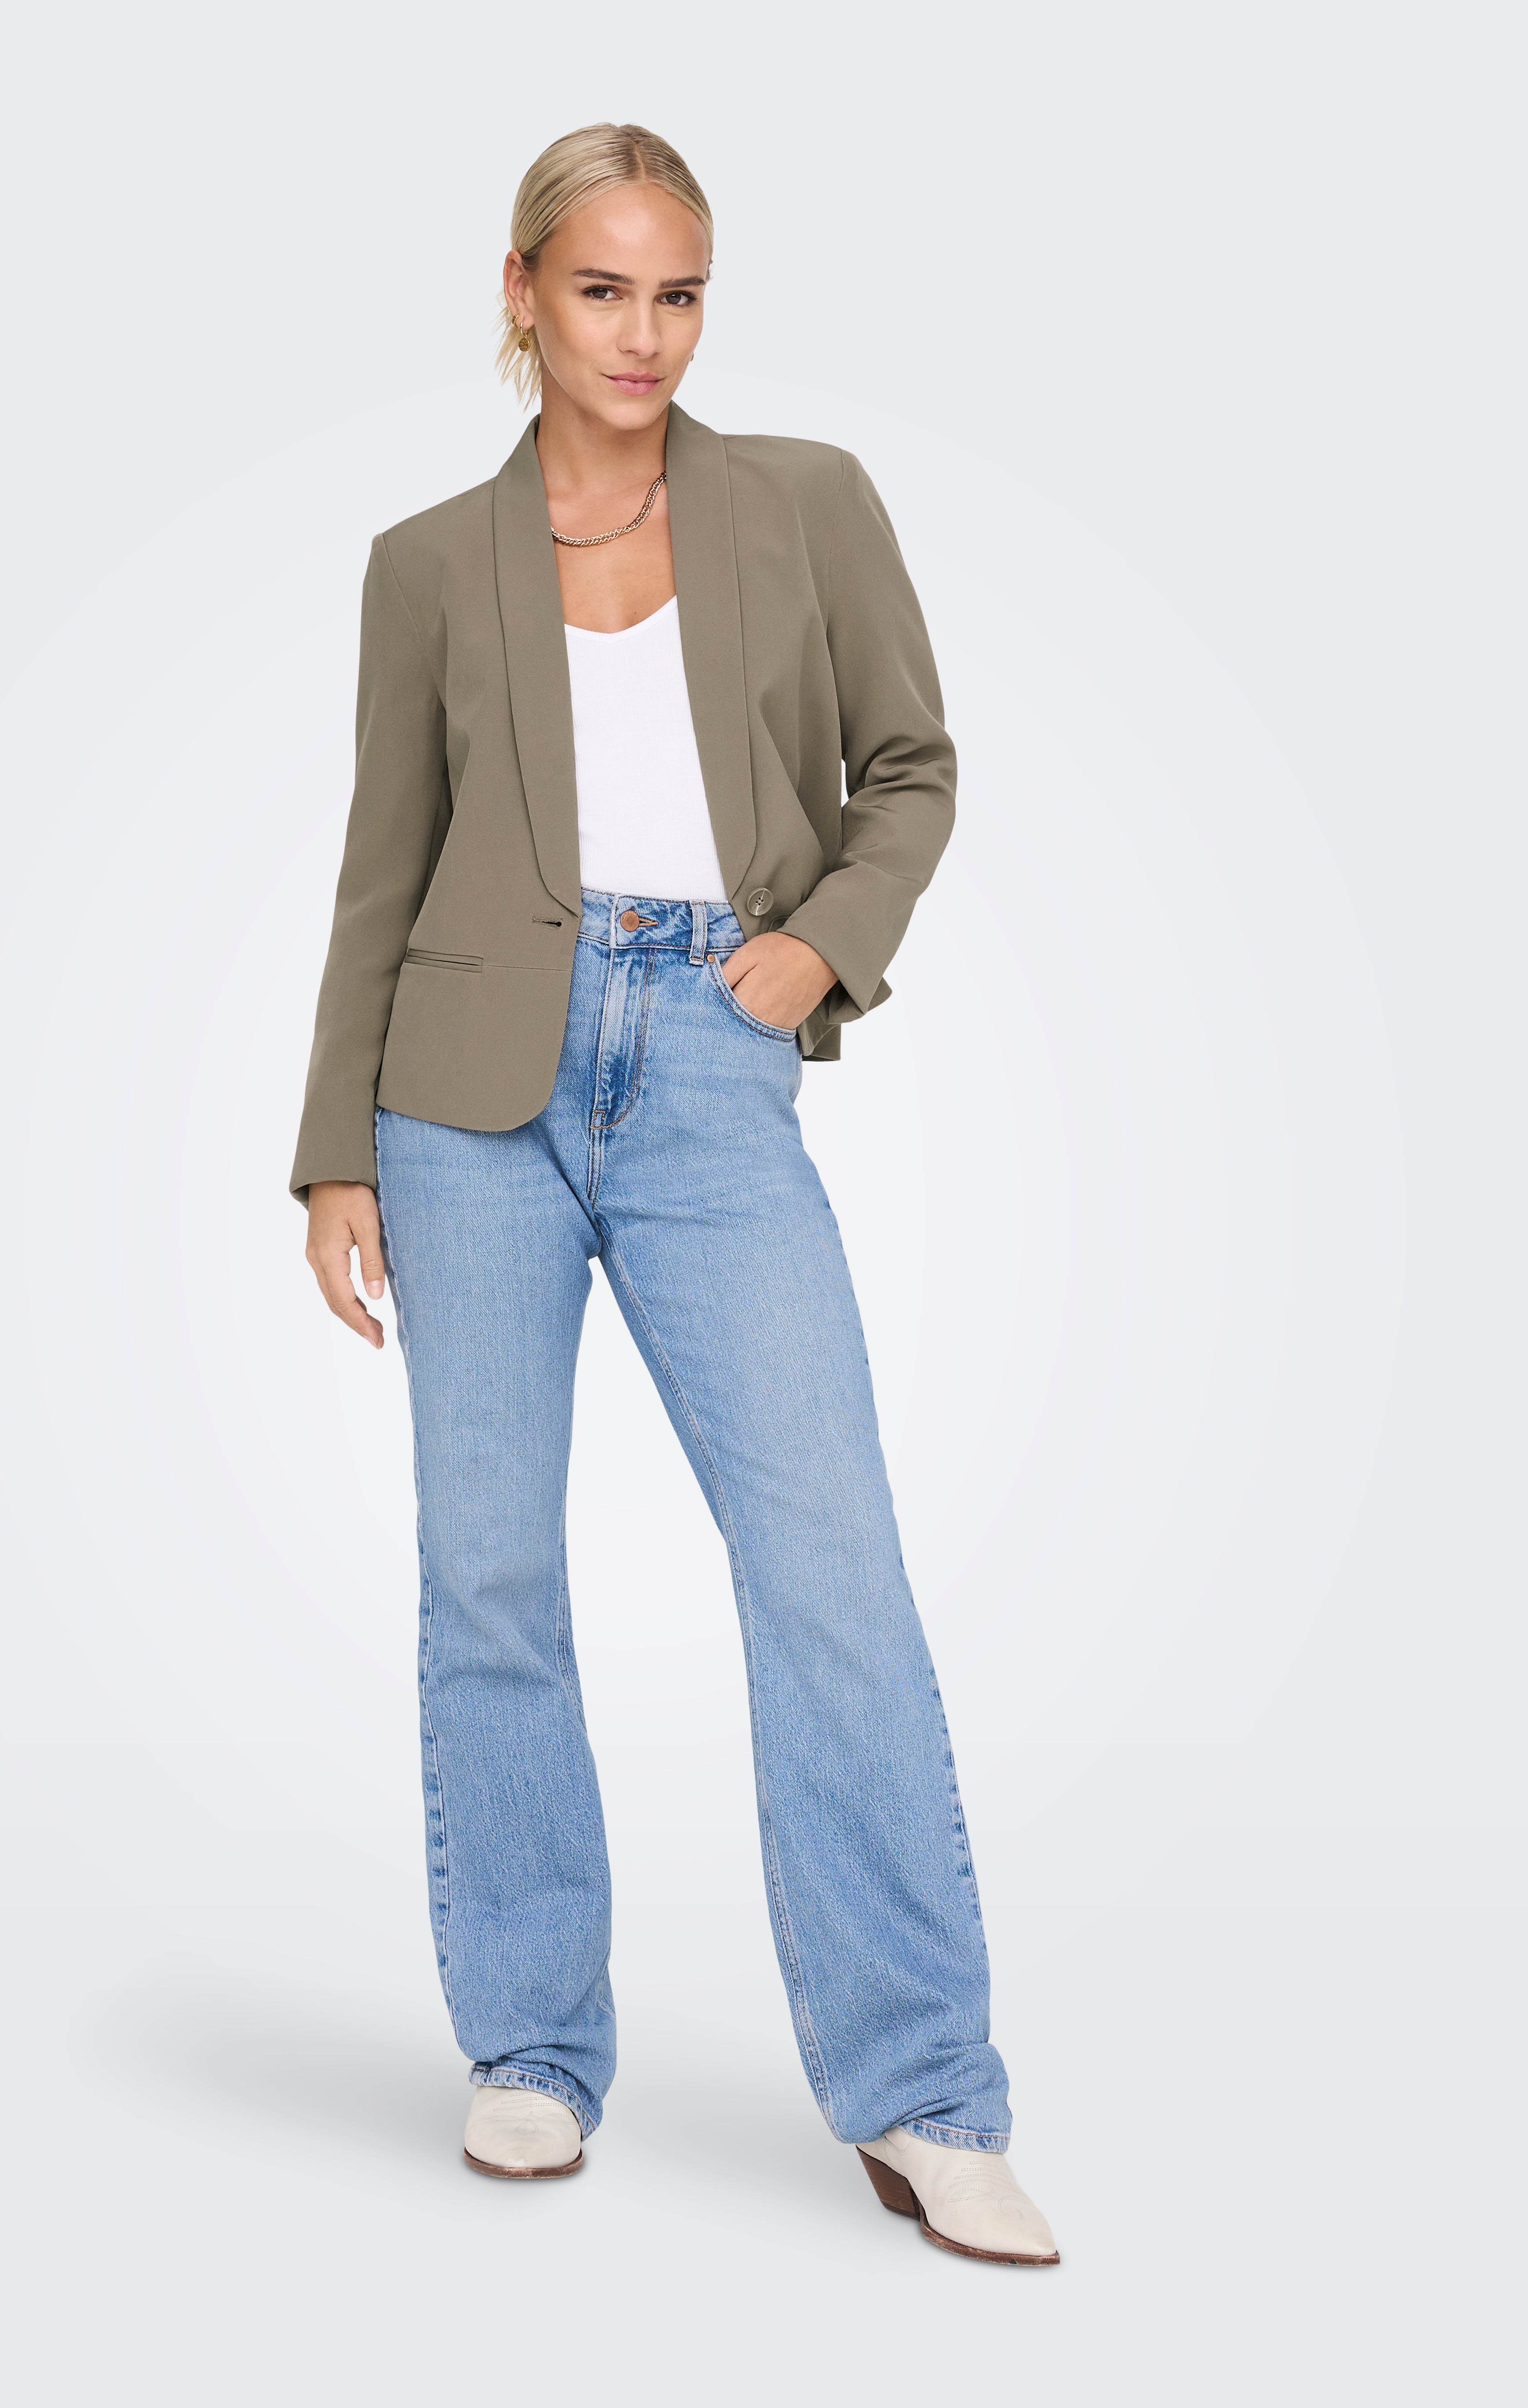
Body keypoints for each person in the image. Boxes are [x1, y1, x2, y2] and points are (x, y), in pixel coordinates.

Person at [292, 122, 1059, 2265]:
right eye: (605, 288)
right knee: (490, 1578)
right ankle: (533, 2041)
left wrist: (816, 949)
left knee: (832, 1573)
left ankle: (922, 2088)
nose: (646, 334)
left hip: (713, 1064)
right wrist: (334, 1143)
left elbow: (910, 766)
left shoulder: (802, 501)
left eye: (682, 291)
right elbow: (380, 862)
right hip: (466, 1096)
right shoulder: (425, 562)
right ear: (521, 291)